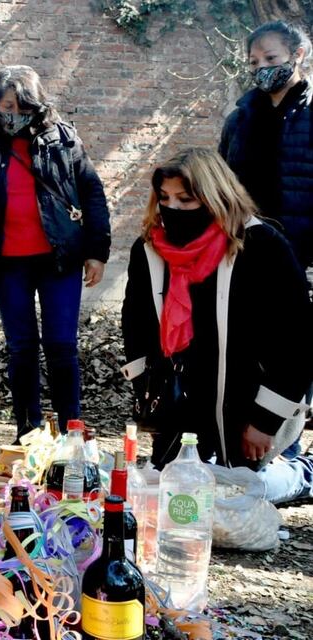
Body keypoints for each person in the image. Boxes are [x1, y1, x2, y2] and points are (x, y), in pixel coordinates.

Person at [121, 148, 313, 502]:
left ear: (214, 197)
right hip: (182, 400)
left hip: (246, 401)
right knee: (172, 490)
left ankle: (301, 472)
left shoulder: (261, 246)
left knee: (243, 491)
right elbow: (136, 328)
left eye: (185, 199)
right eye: (164, 198)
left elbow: (297, 341)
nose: (172, 208)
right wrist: (149, 397)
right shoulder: (149, 250)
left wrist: (264, 421)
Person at [0, 65, 111, 441]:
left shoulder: (64, 140)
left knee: (62, 345)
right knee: (20, 347)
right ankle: (28, 429)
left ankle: (72, 430)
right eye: (8, 107)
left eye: (24, 109)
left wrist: (96, 251)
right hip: (7, 264)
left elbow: (92, 194)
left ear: (37, 107)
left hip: (59, 259)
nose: (15, 116)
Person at [219, 20, 312, 270]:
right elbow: (221, 184)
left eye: (271, 58)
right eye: (254, 62)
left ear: (297, 55)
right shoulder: (237, 120)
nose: (262, 67)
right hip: (246, 250)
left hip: (303, 256)